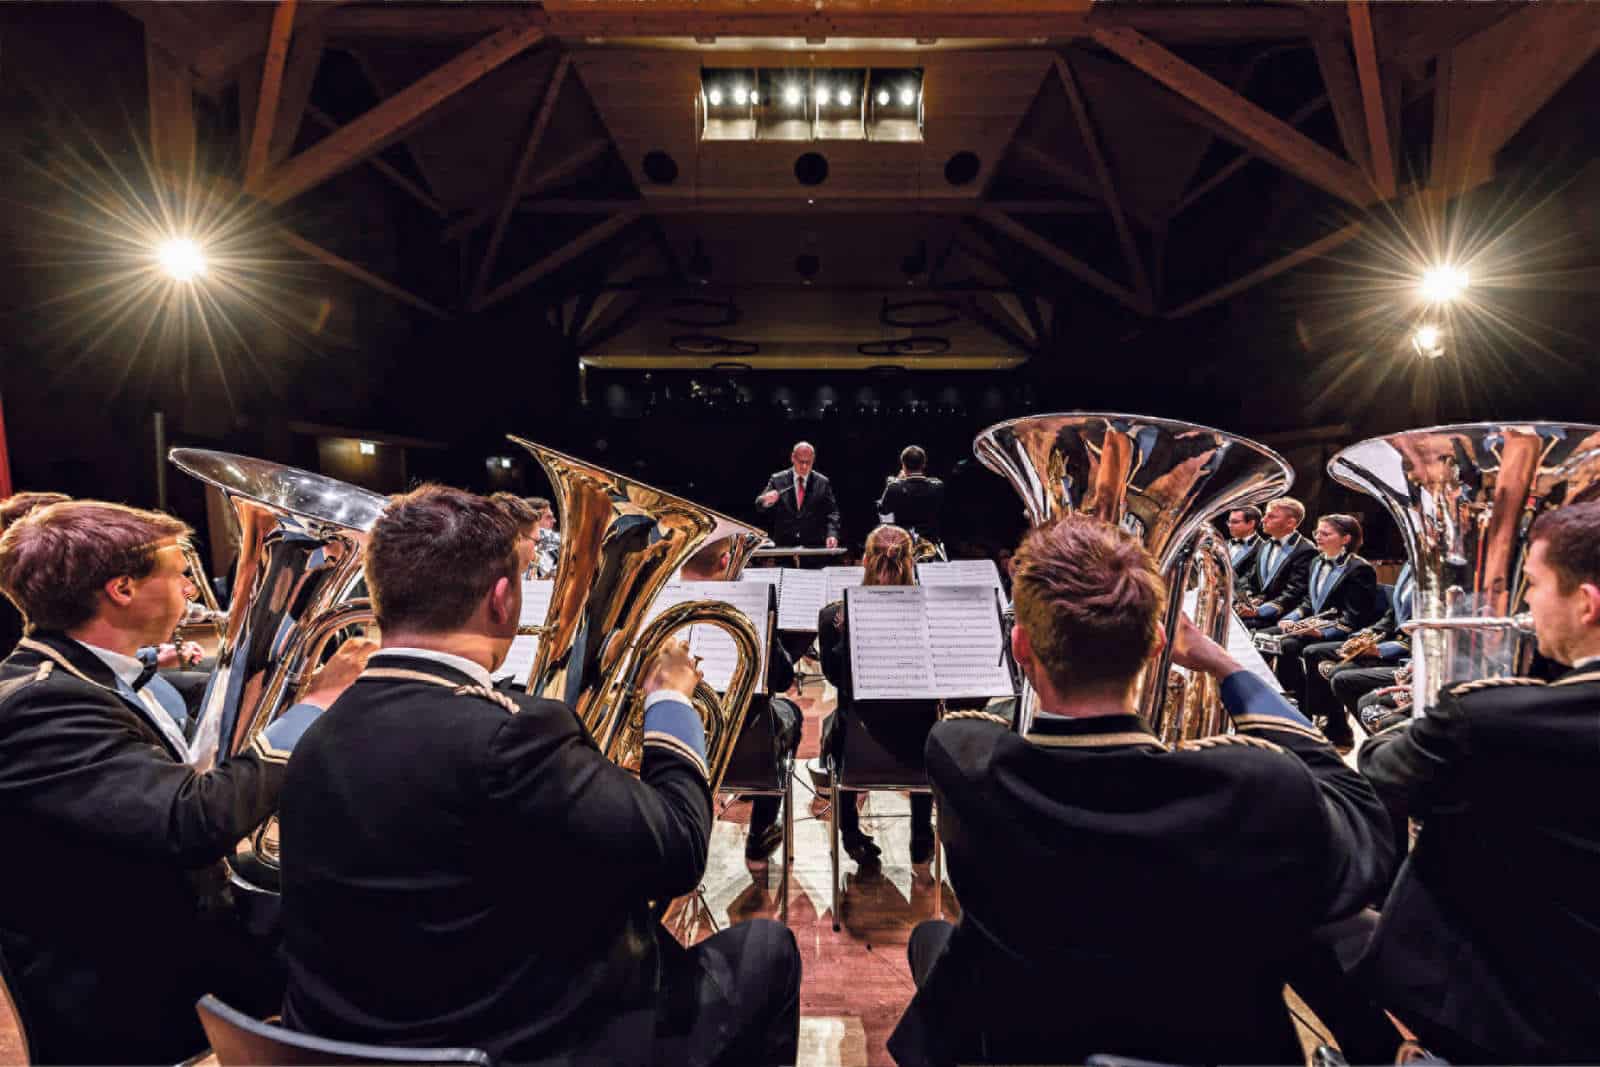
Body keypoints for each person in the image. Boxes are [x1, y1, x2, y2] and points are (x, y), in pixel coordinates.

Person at [278, 485, 800, 1066]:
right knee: (766, 949)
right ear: (502, 600)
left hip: (346, 1042)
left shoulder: (310, 732)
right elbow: (678, 847)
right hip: (522, 1044)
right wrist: (670, 701)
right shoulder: (516, 735)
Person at [889, 514, 1394, 1067]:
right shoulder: (1256, 786)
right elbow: (1365, 826)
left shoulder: (962, 757)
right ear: (1157, 644)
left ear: (1020, 645)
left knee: (935, 940)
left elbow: (998, 736)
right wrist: (1220, 662)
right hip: (1219, 1047)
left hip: (1037, 1042)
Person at [0, 501, 370, 1065]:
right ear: (122, 589)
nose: (192, 594)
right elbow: (189, 822)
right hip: (126, 984)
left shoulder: (93, 674)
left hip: (163, 927)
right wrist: (317, 704)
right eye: (179, 576)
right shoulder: (44, 704)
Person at [1358, 501, 1600, 1062]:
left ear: (1586, 603)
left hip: (1513, 1014)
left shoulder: (1490, 721)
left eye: (1533, 585)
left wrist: (1428, 715)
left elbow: (1380, 772)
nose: (1525, 604)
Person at [817, 524, 938, 865]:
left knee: (840, 722)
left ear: (865, 561)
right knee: (925, 720)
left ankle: (850, 834)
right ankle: (921, 833)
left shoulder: (832, 618)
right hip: (919, 753)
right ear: (910, 563)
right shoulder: (932, 613)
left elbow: (833, 677)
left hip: (858, 752)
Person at [678, 543, 800, 863]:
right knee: (790, 712)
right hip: (748, 755)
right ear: (725, 560)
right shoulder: (749, 607)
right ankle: (760, 831)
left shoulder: (662, 601)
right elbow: (783, 678)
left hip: (680, 755)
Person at [1259, 513, 1382, 724]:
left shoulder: (1360, 569)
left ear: (1346, 539)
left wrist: (1321, 632)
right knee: (1265, 637)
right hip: (1317, 626)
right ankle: (1287, 698)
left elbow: (1354, 618)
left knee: (1288, 644)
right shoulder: (1317, 561)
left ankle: (1307, 709)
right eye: (1317, 532)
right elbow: (1309, 601)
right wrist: (1292, 618)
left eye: (1326, 533)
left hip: (1344, 632)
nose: (1318, 537)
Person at [1302, 561, 1414, 746]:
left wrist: (1379, 650)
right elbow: (1392, 615)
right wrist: (1366, 634)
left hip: (1408, 655)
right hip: (1393, 643)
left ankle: (1377, 742)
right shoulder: (1410, 567)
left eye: (1325, 533)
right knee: (1316, 655)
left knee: (1341, 677)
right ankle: (1335, 725)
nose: (1318, 537)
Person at [1238, 496, 1317, 630]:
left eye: (1271, 516)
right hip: (1254, 610)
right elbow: (1249, 578)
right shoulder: (1265, 545)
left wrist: (1259, 610)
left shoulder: (1306, 550)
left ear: (1290, 523)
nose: (1263, 520)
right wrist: (1247, 598)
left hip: (1280, 617)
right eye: (1265, 515)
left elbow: (1294, 592)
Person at [755, 440, 840, 557]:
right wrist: (765, 500)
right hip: (784, 549)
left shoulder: (822, 482)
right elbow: (759, 505)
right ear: (793, 458)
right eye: (801, 462)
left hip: (814, 549)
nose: (804, 466)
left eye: (808, 462)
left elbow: (832, 512)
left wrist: (832, 534)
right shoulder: (778, 479)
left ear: (813, 460)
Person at [877, 445, 945, 547]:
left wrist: (895, 482)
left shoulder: (894, 487)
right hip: (931, 542)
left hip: (903, 544)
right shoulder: (938, 486)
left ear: (903, 465)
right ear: (924, 464)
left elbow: (883, 511)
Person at [1223, 504, 1265, 582]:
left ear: (1251, 524)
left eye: (1234, 522)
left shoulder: (1263, 549)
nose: (1229, 525)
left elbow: (1250, 582)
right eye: (1229, 521)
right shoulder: (1223, 544)